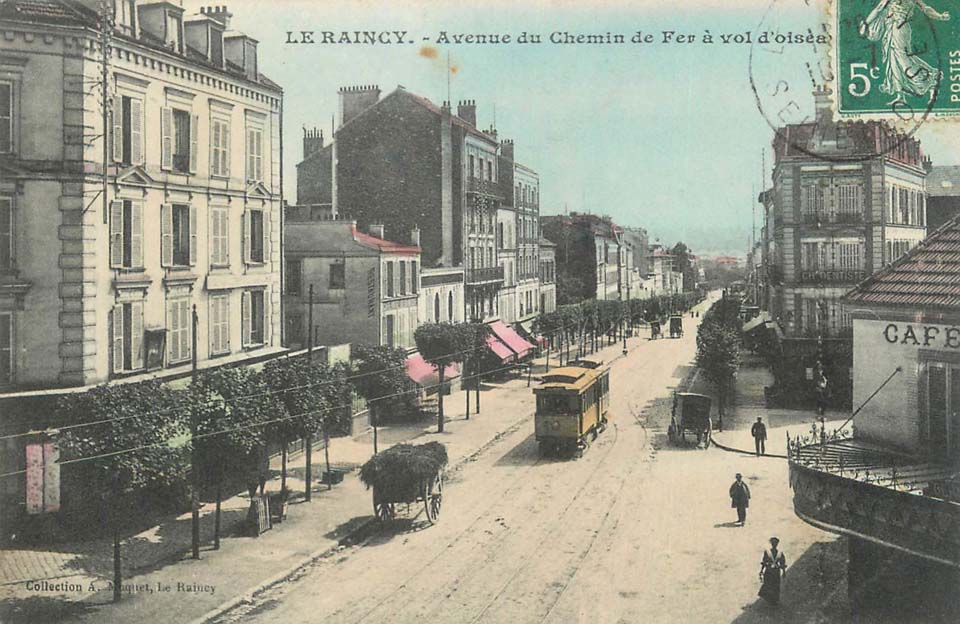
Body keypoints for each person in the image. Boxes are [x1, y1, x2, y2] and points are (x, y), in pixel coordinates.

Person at [860, 0, 950, 106]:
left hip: (899, 30)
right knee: (894, 60)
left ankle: (931, 81)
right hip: (894, 29)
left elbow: (879, 8)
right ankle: (900, 96)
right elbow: (926, 8)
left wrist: (866, 24)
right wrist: (940, 16)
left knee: (903, 60)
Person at [758, 537, 788, 605]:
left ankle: (773, 599)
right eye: (773, 543)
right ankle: (771, 598)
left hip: (771, 570)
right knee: (770, 584)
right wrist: (783, 572)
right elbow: (765, 561)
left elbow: (782, 562)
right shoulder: (774, 553)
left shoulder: (776, 553)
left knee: (774, 584)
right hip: (773, 571)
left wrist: (762, 570)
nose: (774, 545)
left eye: (775, 543)